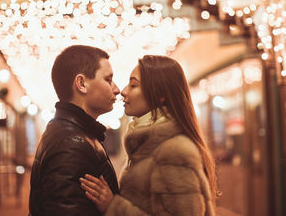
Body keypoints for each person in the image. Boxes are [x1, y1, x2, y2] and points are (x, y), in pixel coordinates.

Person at [80, 55, 217, 216]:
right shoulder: (148, 144)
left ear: (160, 95)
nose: (123, 91)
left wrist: (113, 206)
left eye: (133, 85)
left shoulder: (173, 151)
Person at [29, 45, 120, 216]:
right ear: (81, 84)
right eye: (108, 80)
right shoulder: (71, 143)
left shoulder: (73, 133)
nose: (117, 89)